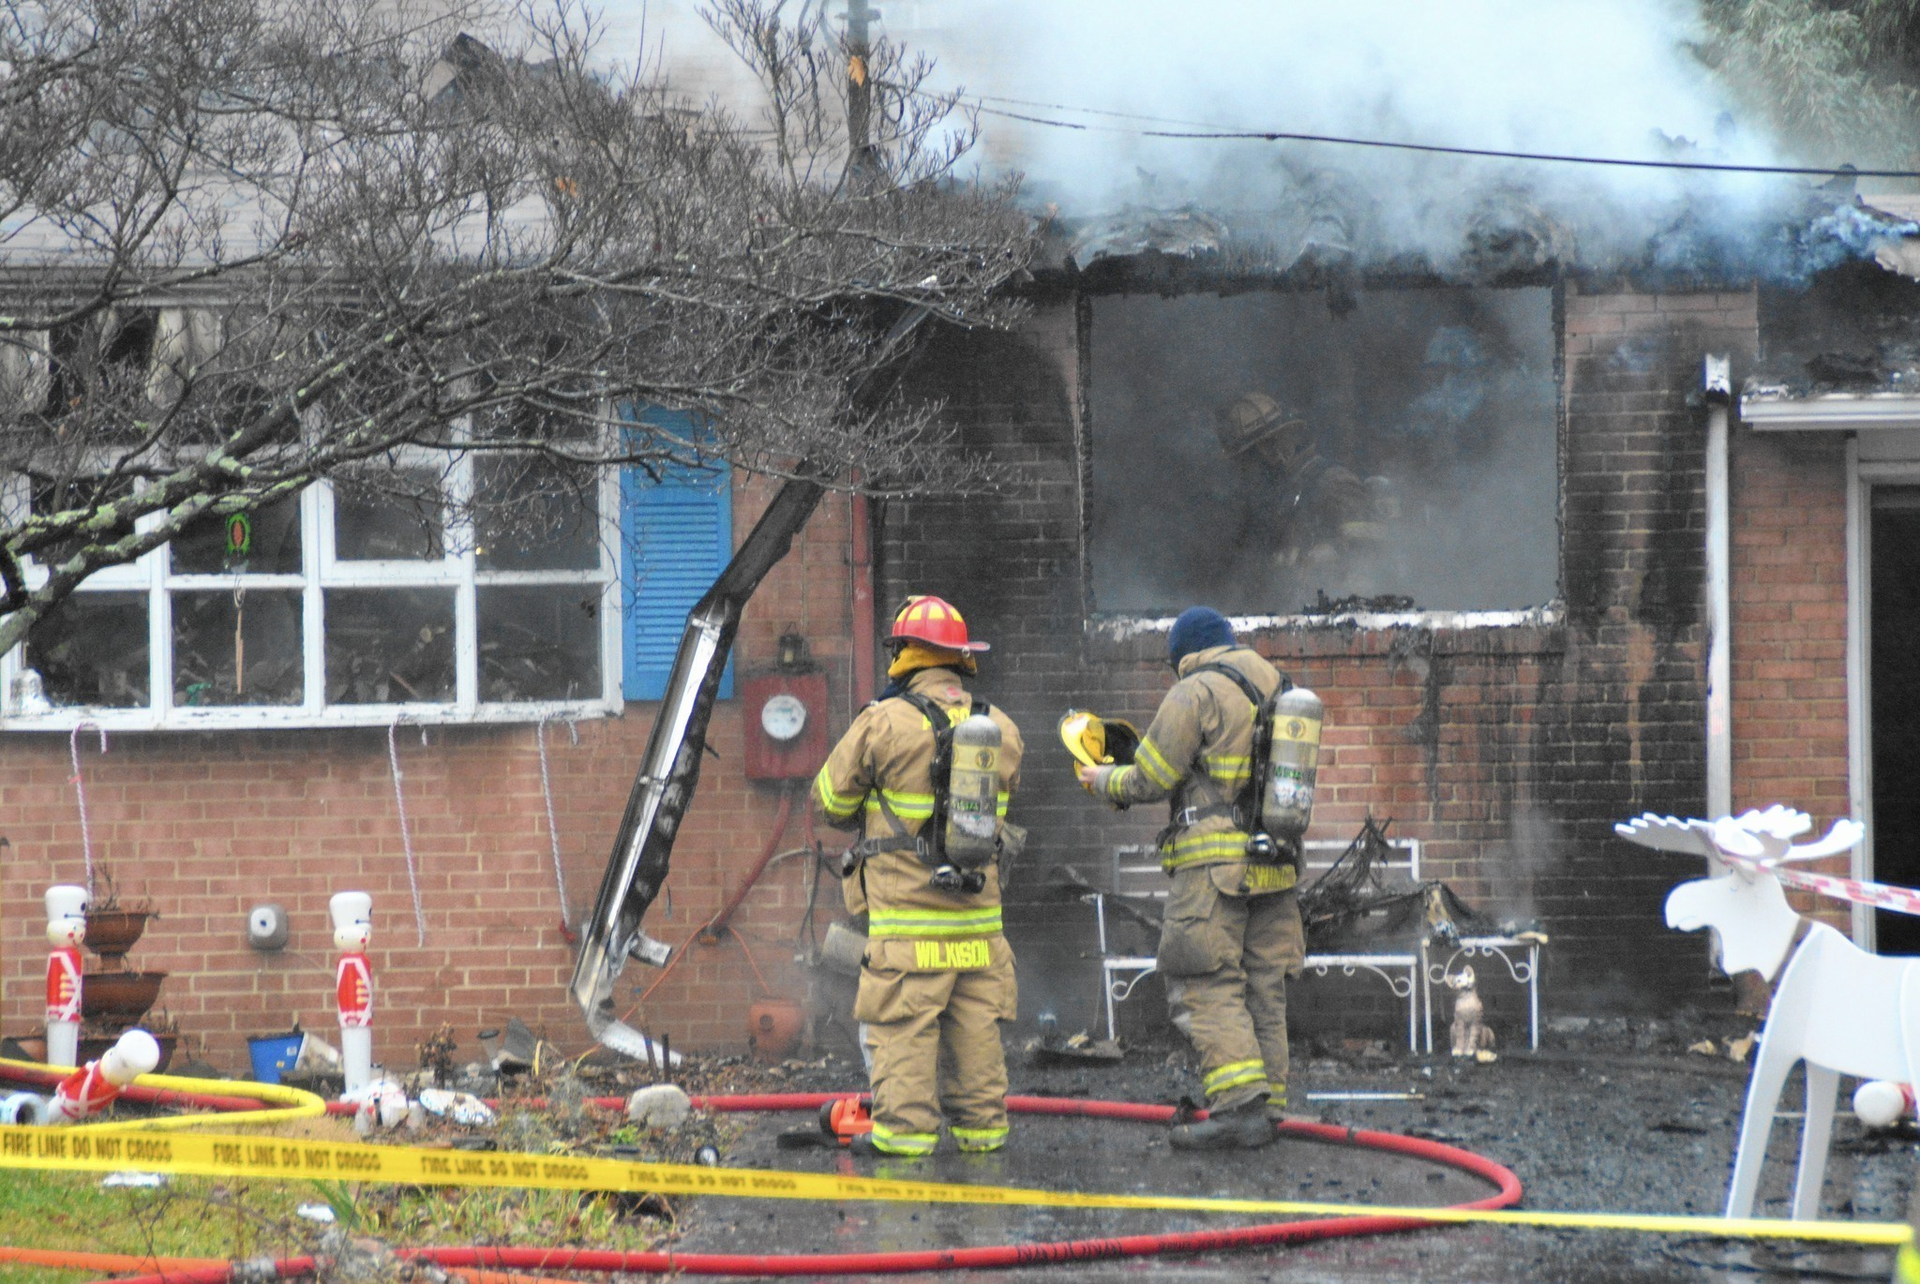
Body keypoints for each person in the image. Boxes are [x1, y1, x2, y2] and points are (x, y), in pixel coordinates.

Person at [1077, 606, 1305, 1149]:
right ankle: (1269, 1106)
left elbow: (1152, 778)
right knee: (1263, 986)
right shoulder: (1279, 686)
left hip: (1214, 870)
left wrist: (1103, 779)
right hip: (1275, 864)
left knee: (1204, 981)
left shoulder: (1195, 690)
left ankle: (1238, 1107)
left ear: (1183, 655)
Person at [813, 594, 1023, 1157]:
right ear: (961, 656)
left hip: (910, 928)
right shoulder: (1000, 728)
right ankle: (983, 1137)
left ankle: (904, 1142)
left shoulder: (882, 722)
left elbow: (829, 801)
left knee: (903, 1029)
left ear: (905, 654)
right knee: (976, 1033)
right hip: (979, 928)